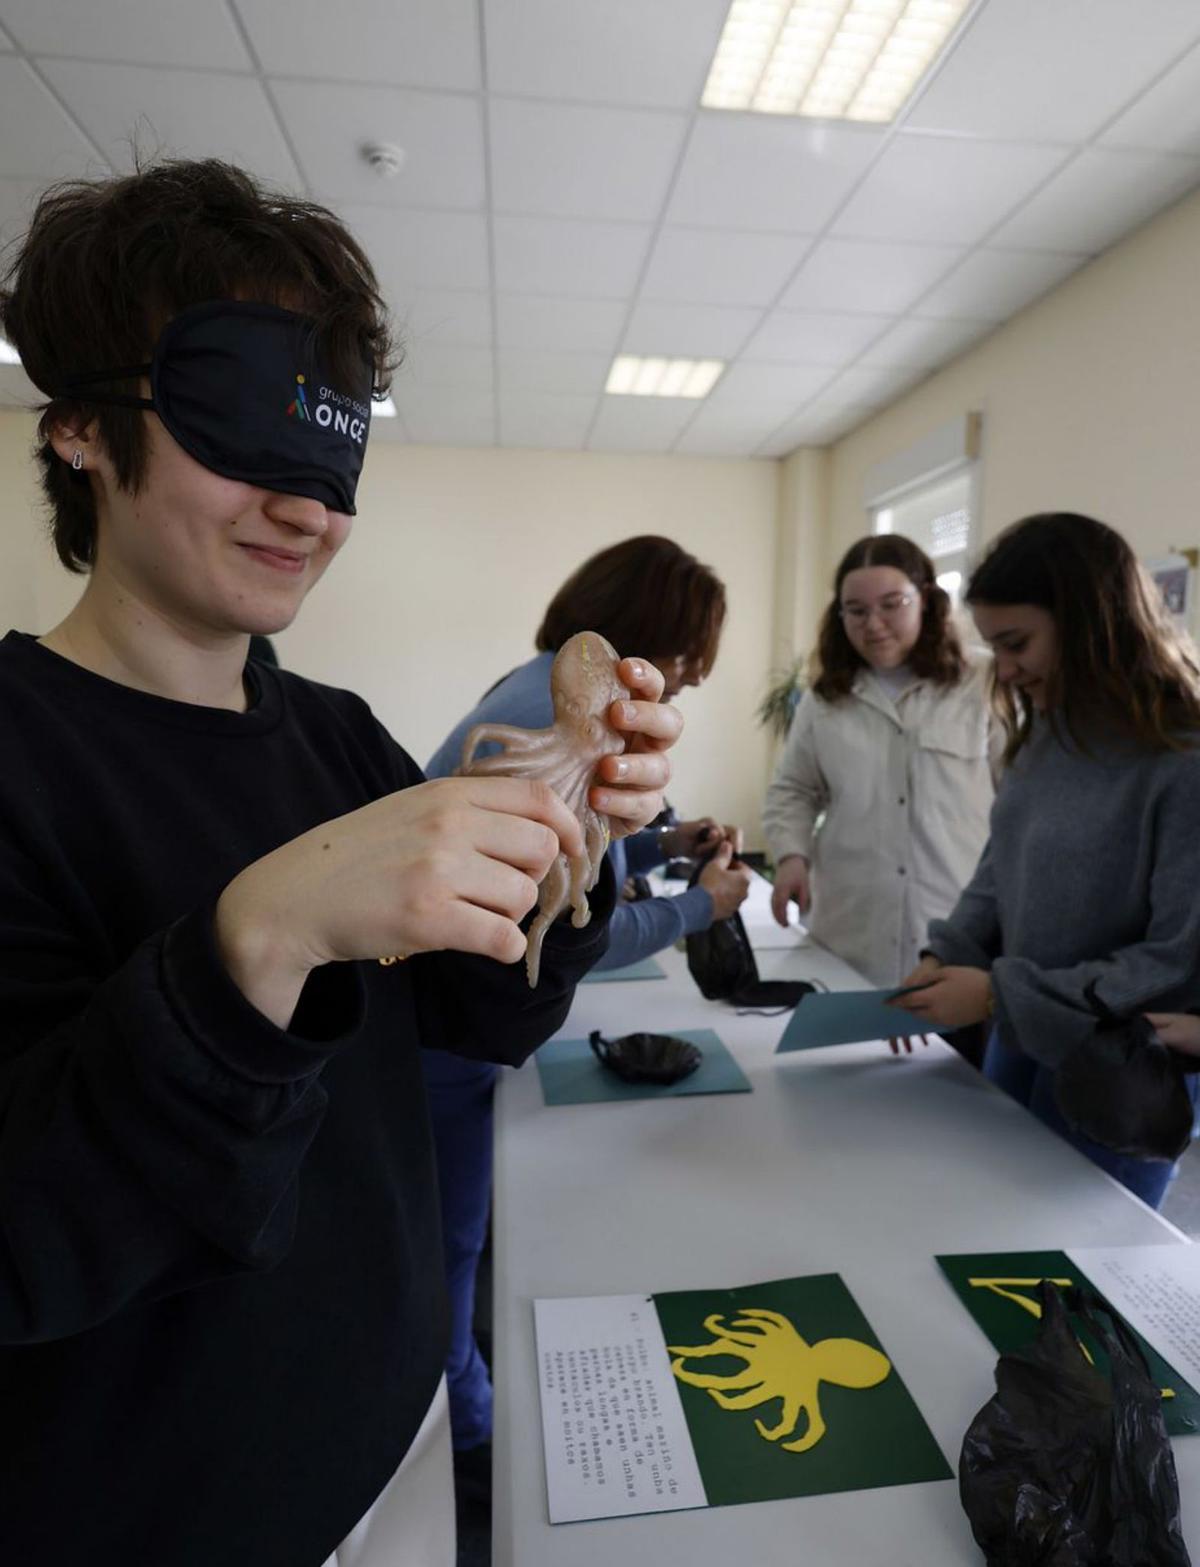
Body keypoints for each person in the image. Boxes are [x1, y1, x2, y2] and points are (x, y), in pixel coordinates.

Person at [0, 159, 681, 1566]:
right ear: (75, 425)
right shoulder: (17, 757)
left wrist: (573, 847)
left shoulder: (337, 735)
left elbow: (480, 1014)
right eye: (241, 422)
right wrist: (255, 939)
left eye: (331, 439)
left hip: (396, 1441)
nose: (307, 506)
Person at [422, 535, 750, 1472]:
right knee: (453, 1244)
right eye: (686, 655)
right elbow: (574, 924)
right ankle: (469, 1438)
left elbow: (578, 853)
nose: (687, 678)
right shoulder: (548, 710)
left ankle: (463, 1410)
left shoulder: (529, 687)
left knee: (461, 1238)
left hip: (453, 1016)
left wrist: (658, 842)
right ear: (647, 639)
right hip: (448, 1027)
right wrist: (702, 905)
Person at [896, 513, 1200, 1208]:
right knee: (993, 1236)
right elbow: (1000, 870)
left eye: (1017, 643)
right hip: (1023, 1040)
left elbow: (1174, 961)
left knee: (1077, 1274)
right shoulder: (1048, 734)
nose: (1003, 670)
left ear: (1094, 624)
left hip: (1123, 1071)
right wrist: (950, 952)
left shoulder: (1182, 756)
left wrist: (1002, 993)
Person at [763, 533, 1000, 988]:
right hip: (849, 927)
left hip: (955, 926)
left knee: (952, 1057)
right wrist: (792, 856)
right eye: (856, 610)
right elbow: (795, 789)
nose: (873, 624)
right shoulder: (826, 698)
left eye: (892, 604)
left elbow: (1020, 799)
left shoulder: (984, 682)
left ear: (927, 601)